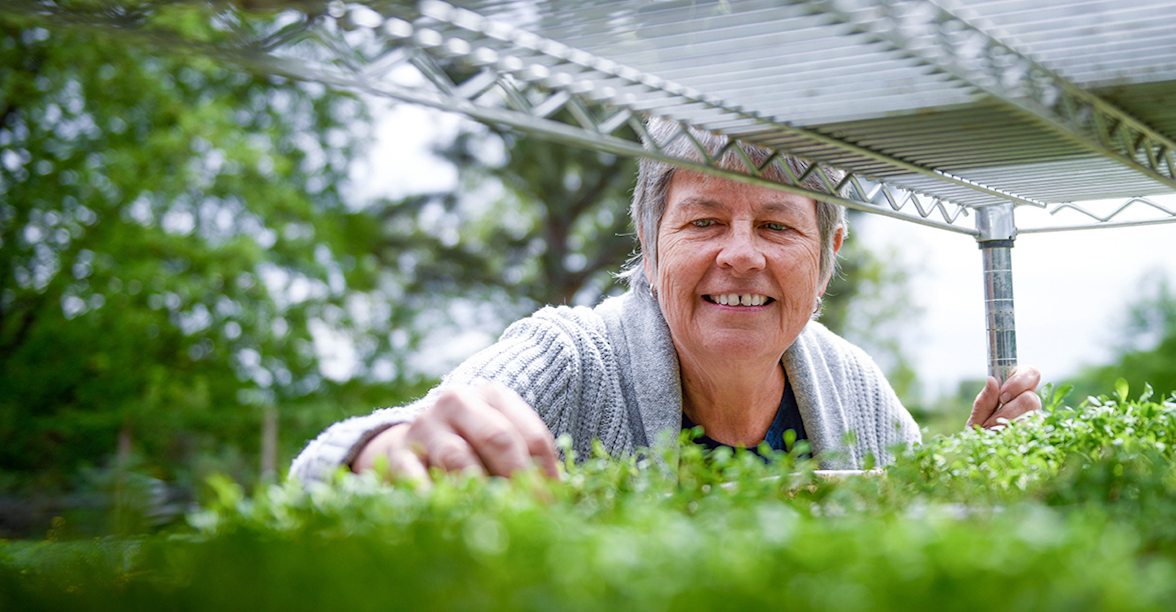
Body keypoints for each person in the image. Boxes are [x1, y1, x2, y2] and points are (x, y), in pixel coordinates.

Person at [289, 122, 1041, 484]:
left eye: (777, 225)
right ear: (650, 250)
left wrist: (971, 473)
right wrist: (383, 454)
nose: (741, 253)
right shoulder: (570, 359)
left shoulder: (854, 385)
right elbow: (322, 476)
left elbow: (916, 534)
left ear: (827, 257)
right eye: (705, 221)